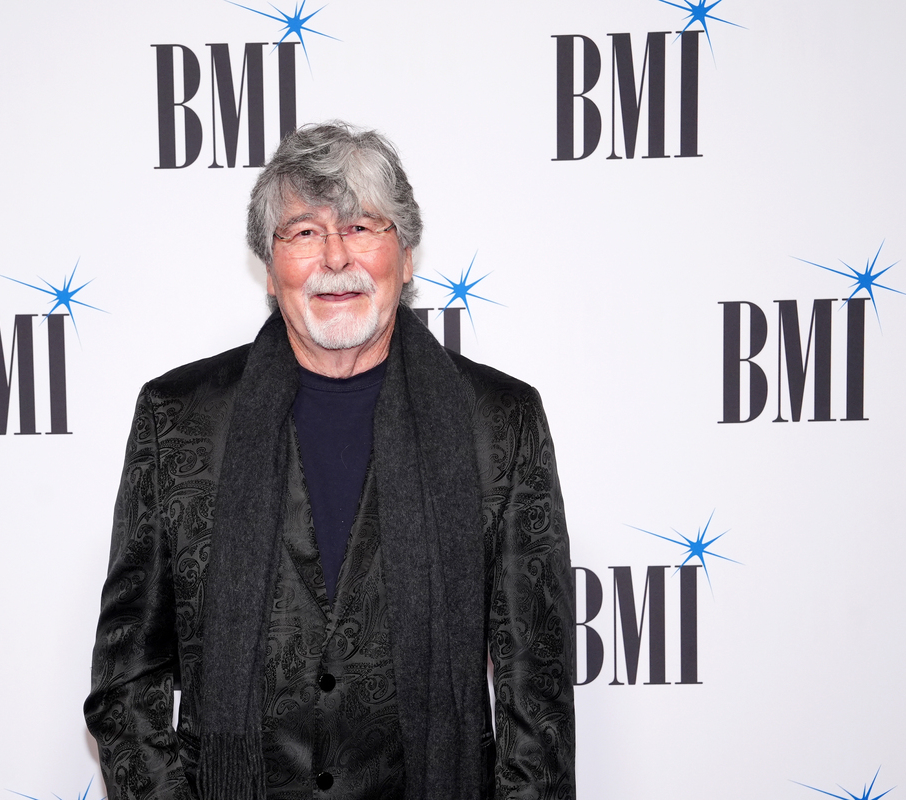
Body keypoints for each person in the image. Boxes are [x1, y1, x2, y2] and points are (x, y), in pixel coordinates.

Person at [85, 122, 575, 800]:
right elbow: (125, 683)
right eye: (304, 232)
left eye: (363, 227)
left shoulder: (499, 423)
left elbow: (535, 701)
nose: (336, 258)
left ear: (404, 258)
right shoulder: (178, 419)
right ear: (268, 264)